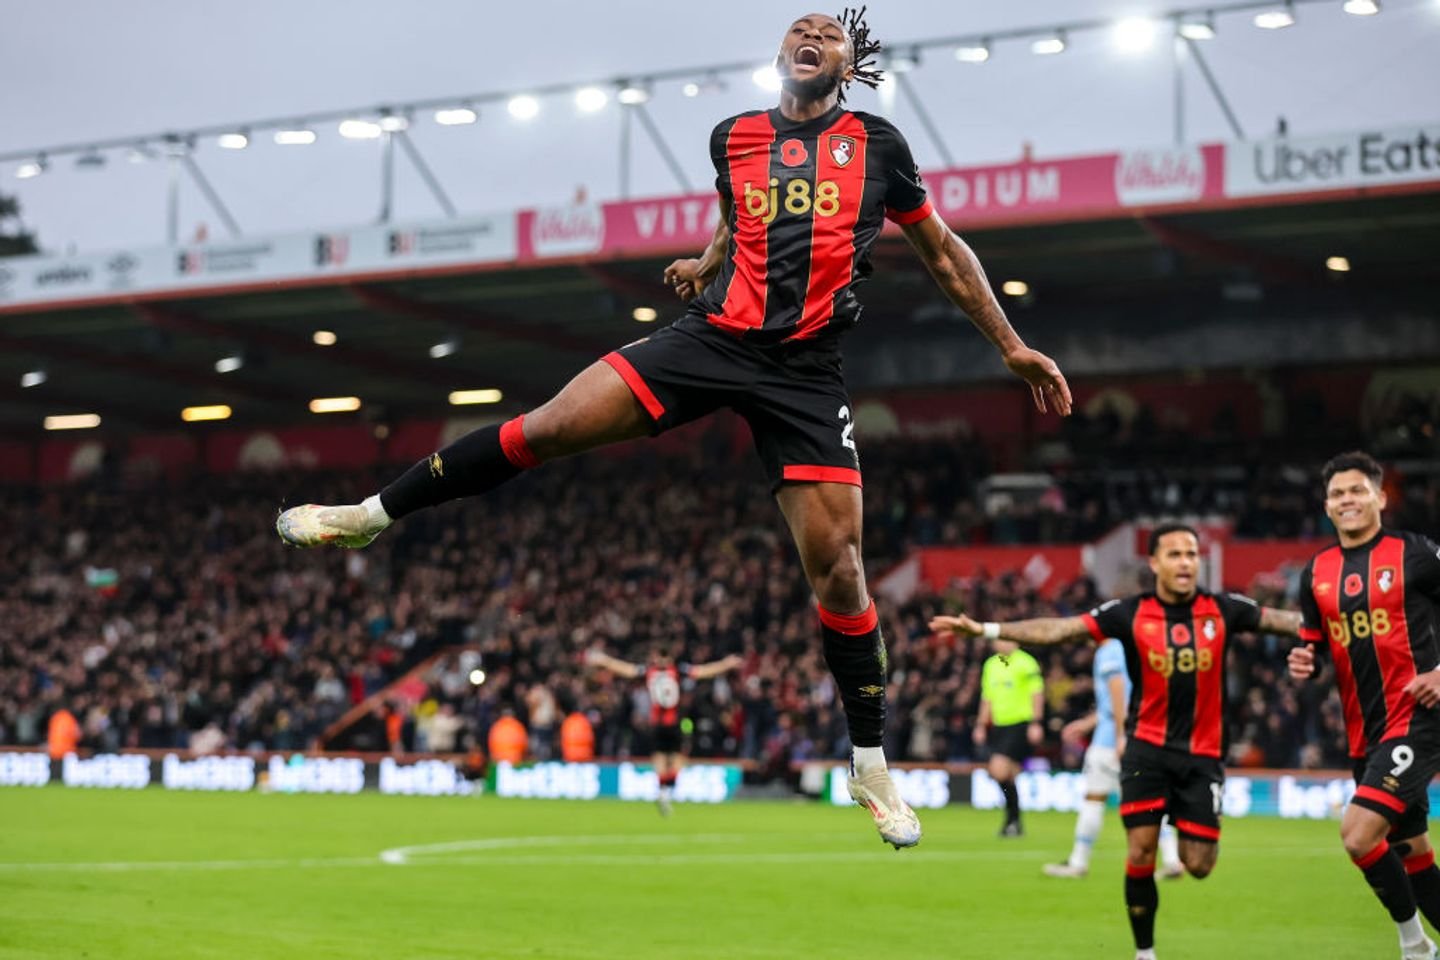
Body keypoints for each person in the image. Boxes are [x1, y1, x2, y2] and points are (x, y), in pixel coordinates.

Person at [275, 9, 1072, 850]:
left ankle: (870, 763)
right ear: (778, 56)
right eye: (799, 30)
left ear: (850, 62)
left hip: (805, 374)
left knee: (840, 571)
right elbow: (743, 213)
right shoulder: (732, 137)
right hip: (711, 341)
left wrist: (1013, 346)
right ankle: (369, 517)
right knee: (545, 427)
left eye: (829, 35)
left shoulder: (879, 146)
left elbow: (944, 252)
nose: (812, 38)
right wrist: (709, 260)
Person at [930, 522, 1301, 960]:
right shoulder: (1129, 613)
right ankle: (1145, 953)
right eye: (1175, 554)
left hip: (1202, 756)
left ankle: (1180, 825)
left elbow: (1287, 622)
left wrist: (1331, 629)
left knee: (1198, 865)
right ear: (1155, 562)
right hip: (1145, 750)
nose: (1185, 562)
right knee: (1140, 850)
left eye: (1191, 554)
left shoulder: (1224, 609)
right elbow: (1061, 630)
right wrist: (990, 631)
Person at [1288, 451, 1440, 960]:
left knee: (1357, 835)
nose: (1347, 500)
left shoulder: (1415, 554)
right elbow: (1313, 645)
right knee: (1410, 853)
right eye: (1337, 494)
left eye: (1357, 491)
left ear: (1380, 497)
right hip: (1366, 732)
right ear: (1326, 506)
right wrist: (1305, 663)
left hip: (1419, 719)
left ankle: (1415, 947)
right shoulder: (1317, 574)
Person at [1043, 637, 1183, 879]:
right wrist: (1087, 724)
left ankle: (1078, 862)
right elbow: (1118, 701)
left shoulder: (1110, 650)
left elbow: (1117, 691)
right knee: (1148, 802)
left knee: (1094, 798)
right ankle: (1172, 860)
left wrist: (1120, 735)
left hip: (1111, 741)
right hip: (1136, 737)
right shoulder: (1132, 648)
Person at [585, 646, 742, 816]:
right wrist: (726, 664)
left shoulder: (648, 671)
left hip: (657, 724)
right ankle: (666, 792)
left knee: (660, 760)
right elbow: (704, 671)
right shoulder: (679, 670)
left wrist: (605, 660)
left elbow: (627, 670)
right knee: (677, 761)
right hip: (674, 723)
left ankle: (662, 793)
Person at [974, 640, 1043, 837]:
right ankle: (1013, 822)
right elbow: (987, 697)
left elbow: (1036, 693)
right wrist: (980, 724)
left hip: (1020, 723)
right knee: (1009, 775)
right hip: (999, 725)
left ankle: (1013, 819)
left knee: (998, 769)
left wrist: (1036, 722)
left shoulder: (1027, 663)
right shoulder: (991, 664)